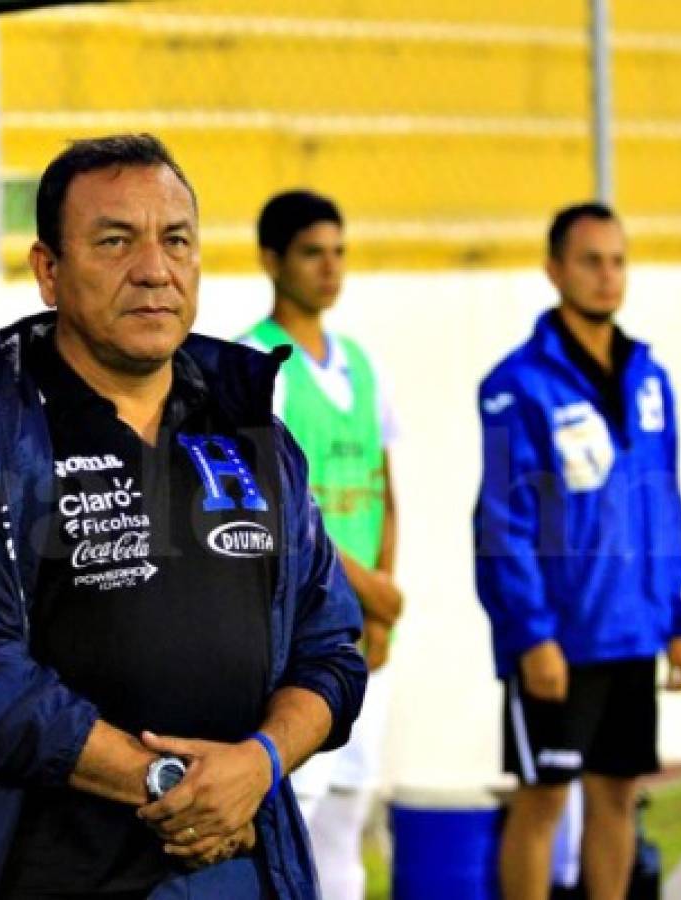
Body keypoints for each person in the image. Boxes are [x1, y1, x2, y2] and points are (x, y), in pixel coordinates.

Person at [0, 133, 367, 899]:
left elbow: (331, 647)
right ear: (48, 271)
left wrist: (258, 765)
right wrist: (179, 787)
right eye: (114, 242)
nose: (153, 270)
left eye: (176, 240)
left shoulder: (253, 433)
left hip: (236, 870)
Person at [473, 202, 681, 900]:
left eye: (617, 260)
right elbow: (501, 520)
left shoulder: (648, 377)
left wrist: (677, 616)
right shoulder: (517, 384)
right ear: (553, 270)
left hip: (632, 632)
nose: (607, 276)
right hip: (558, 641)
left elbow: (662, 502)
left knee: (617, 795)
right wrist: (530, 634)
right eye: (589, 261)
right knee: (542, 800)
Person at [241, 190, 401, 900]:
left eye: (338, 252)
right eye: (312, 252)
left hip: (363, 626)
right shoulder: (256, 363)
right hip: (298, 629)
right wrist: (367, 589)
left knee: (349, 805)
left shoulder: (363, 365)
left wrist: (380, 602)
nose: (330, 268)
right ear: (271, 260)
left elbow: (382, 483)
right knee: (294, 808)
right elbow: (280, 508)